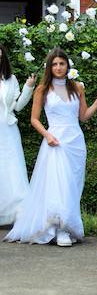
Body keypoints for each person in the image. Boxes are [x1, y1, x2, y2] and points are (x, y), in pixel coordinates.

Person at [5, 48, 97, 246]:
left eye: (62, 63)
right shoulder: (42, 89)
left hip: (75, 142)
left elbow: (83, 117)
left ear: (67, 66)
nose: (59, 67)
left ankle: (66, 225)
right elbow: (34, 119)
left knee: (72, 186)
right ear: (50, 67)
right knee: (58, 185)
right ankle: (59, 228)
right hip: (55, 142)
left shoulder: (77, 87)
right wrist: (47, 135)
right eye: (55, 64)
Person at [0, 44, 35, 226]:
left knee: (11, 172)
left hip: (7, 131)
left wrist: (28, 87)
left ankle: (16, 214)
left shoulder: (10, 79)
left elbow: (18, 106)